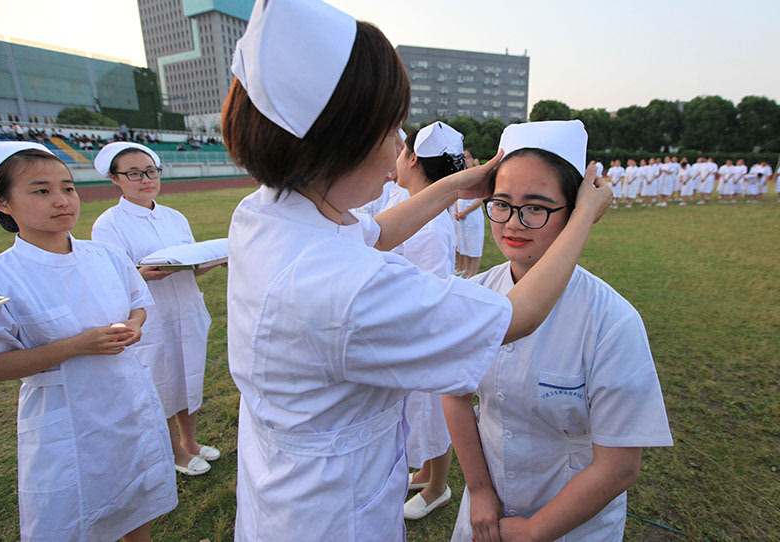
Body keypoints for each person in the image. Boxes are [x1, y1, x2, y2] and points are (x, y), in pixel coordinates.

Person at [222, 1, 612, 540]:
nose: (400, 149)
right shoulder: (343, 289)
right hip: (330, 513)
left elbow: (373, 233)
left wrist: (452, 184)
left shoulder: (268, 212)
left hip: (285, 484)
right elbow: (516, 317)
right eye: (392, 130)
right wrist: (583, 215)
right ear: (342, 142)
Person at [445, 122, 673, 542]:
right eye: (502, 203)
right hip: (486, 511)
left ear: (574, 212)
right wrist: (478, 490)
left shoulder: (611, 321)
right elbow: (455, 394)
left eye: (536, 207)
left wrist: (534, 531)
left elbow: (619, 464)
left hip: (574, 526)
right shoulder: (474, 295)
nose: (513, 223)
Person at [0, 141, 177, 541]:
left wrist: (134, 326)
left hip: (128, 402)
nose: (62, 200)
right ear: (1, 202)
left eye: (68, 188)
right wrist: (75, 346)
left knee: (136, 496)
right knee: (70, 516)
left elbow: (139, 303)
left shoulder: (105, 255)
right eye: (41, 191)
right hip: (66, 419)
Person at [91, 142, 219, 477]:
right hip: (151, 317)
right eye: (133, 173)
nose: (145, 179)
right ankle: (174, 451)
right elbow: (111, 279)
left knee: (189, 376)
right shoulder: (109, 225)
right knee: (160, 382)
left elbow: (191, 261)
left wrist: (210, 261)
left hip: (187, 307)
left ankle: (190, 442)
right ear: (114, 179)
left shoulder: (174, 217)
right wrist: (142, 274)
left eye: (150, 171)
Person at [395, 122, 464, 520]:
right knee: (419, 411)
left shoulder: (431, 222)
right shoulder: (419, 207)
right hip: (415, 330)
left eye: (402, 153)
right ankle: (425, 472)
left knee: (432, 412)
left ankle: (438, 487)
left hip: (426, 333)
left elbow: (431, 289)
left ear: (414, 159)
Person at [454, 149, 485, 277]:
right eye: (463, 158)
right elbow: (456, 195)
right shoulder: (461, 175)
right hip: (460, 216)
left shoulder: (479, 176)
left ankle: (473, 273)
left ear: (472, 159)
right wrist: (456, 211)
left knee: (474, 246)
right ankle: (466, 270)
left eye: (467, 157)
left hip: (472, 215)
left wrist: (465, 212)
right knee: (463, 245)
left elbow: (481, 199)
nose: (465, 160)